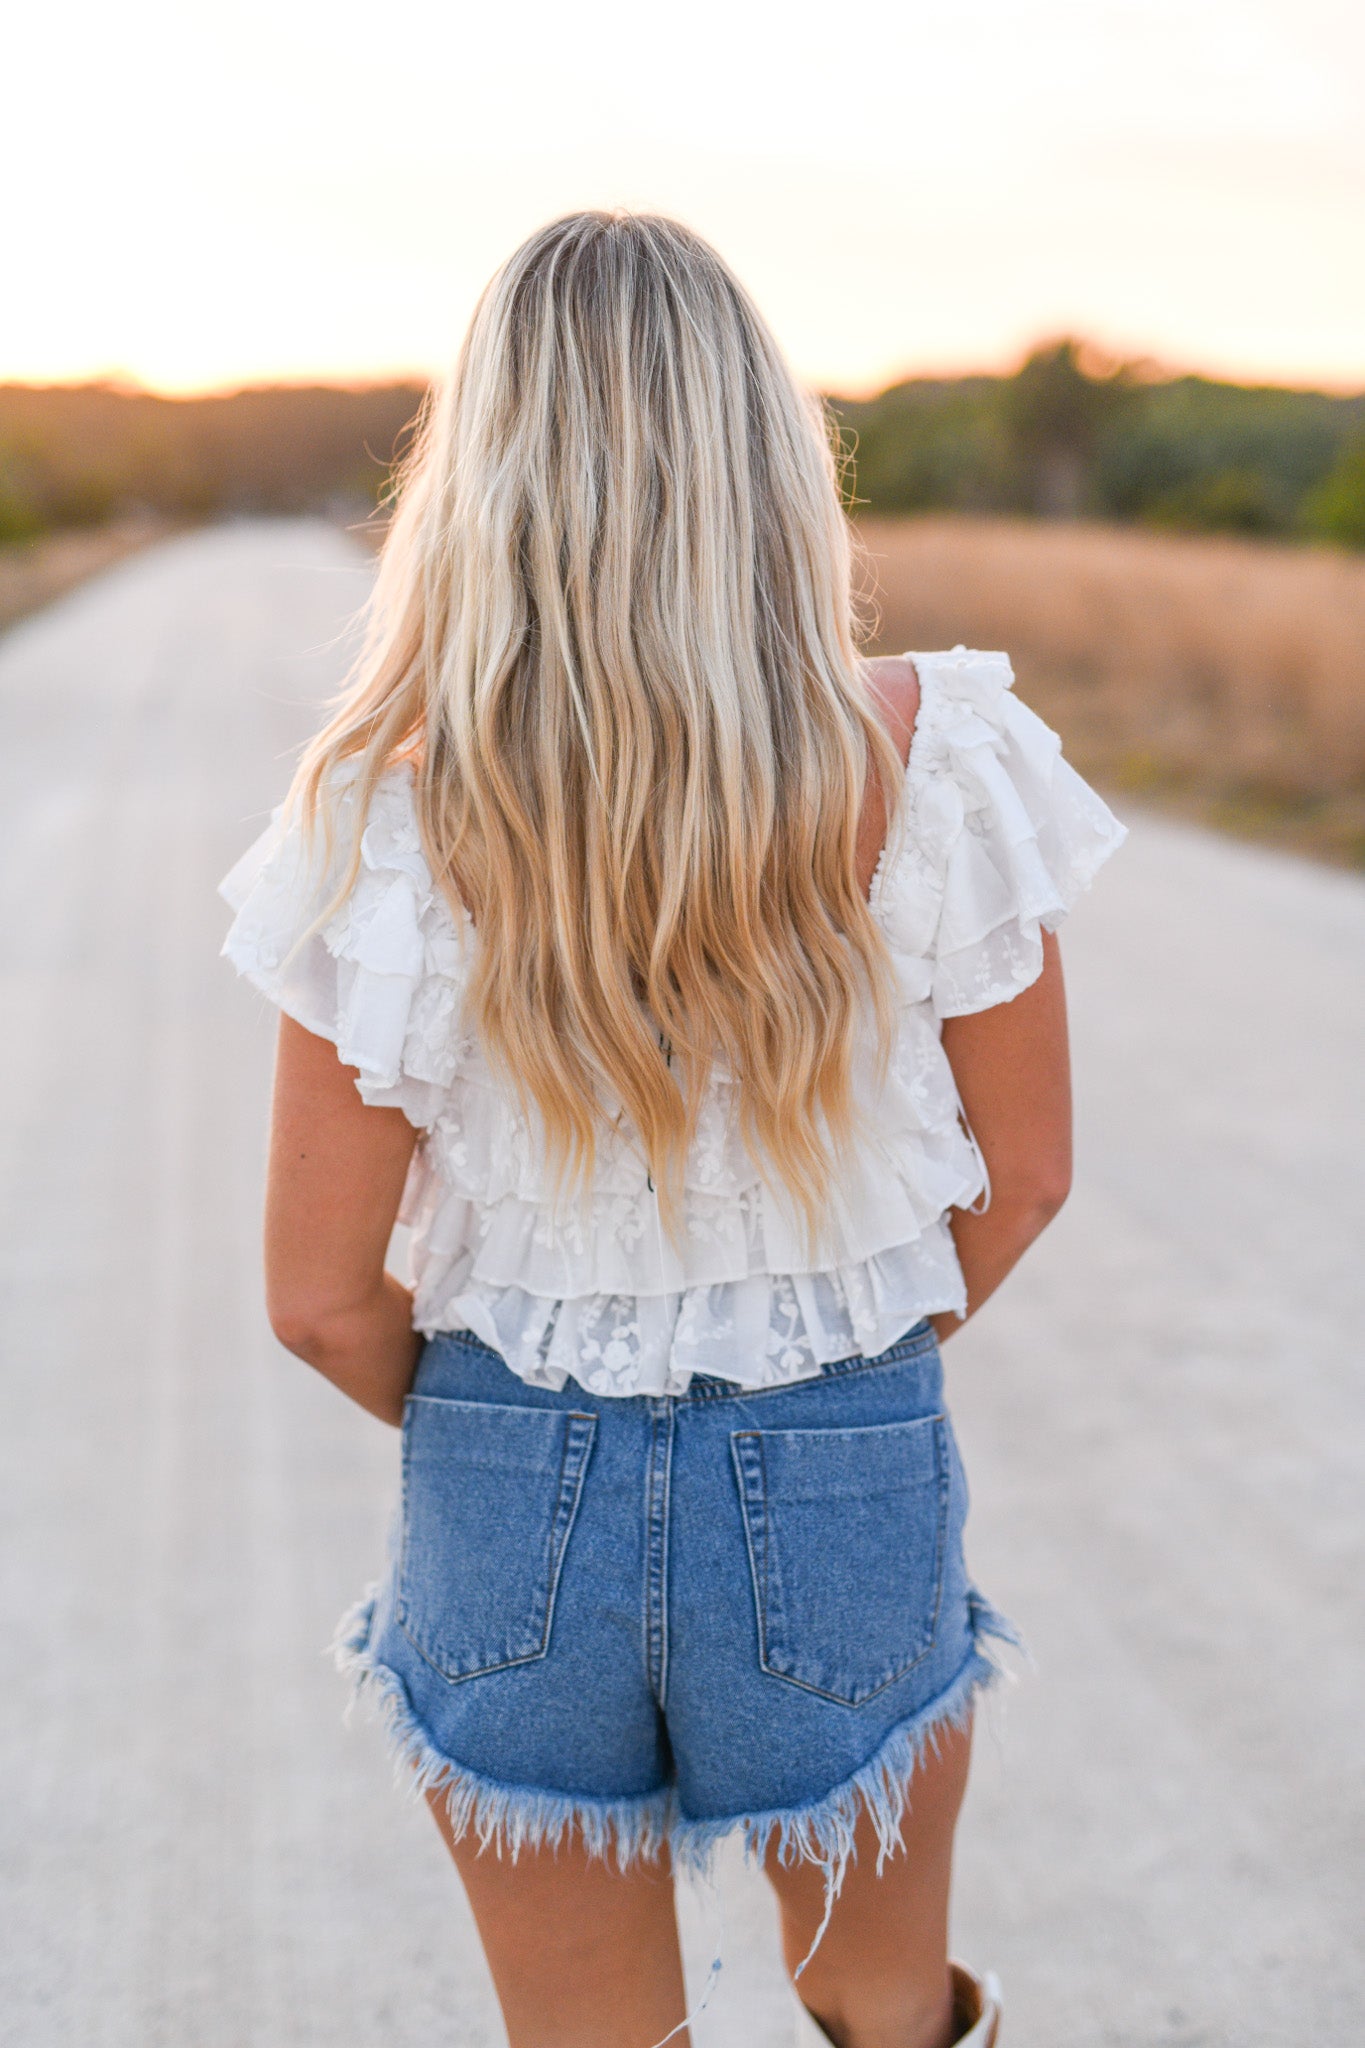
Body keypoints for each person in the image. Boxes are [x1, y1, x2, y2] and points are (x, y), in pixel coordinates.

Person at [220, 211, 1124, 2048]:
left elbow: (318, 1304)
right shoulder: (935, 755)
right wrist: (830, 1360)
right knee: (883, 2013)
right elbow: (1023, 1175)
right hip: (841, 1445)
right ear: (766, 456)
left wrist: (512, 1403)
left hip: (498, 1472)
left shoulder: (379, 820)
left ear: (481, 476)